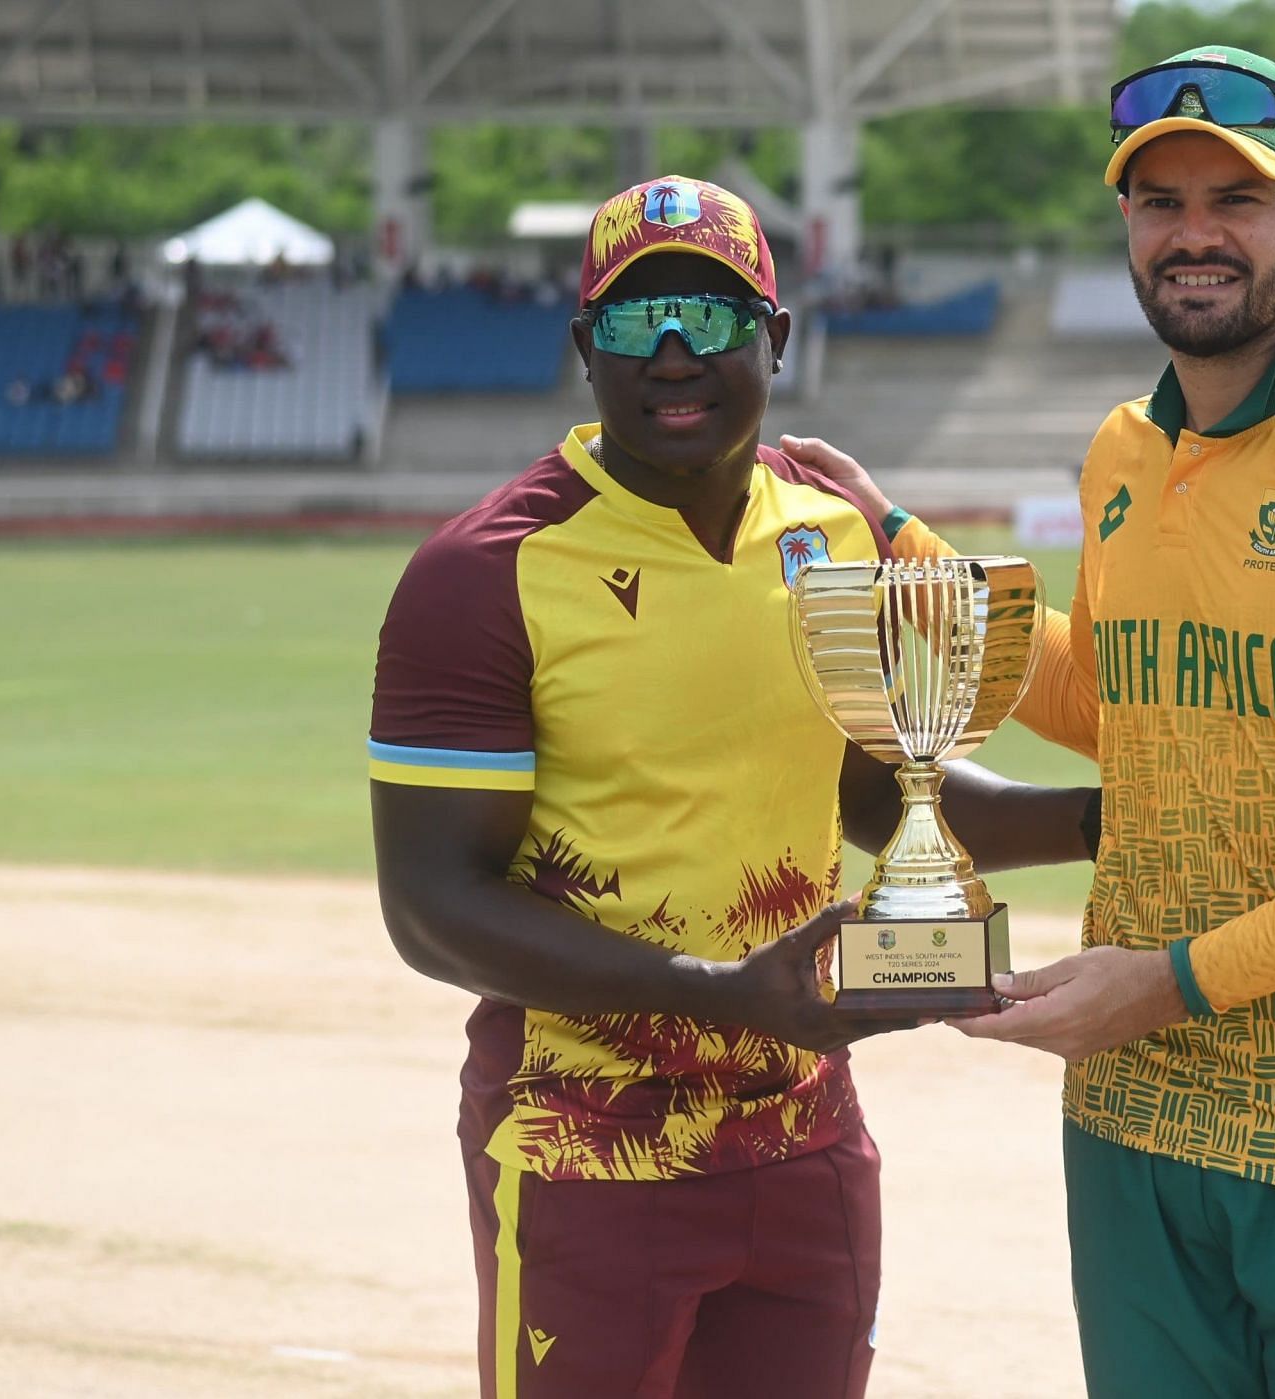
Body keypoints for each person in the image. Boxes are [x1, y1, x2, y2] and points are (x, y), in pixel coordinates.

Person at [781, 45, 1275, 1399]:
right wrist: (908, 552)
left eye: (1234, 200)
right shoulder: (1125, 452)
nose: (1194, 233)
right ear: (1126, 227)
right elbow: (1126, 703)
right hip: (1137, 1116)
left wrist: (1176, 977)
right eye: (1160, 202)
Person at [368, 175, 1095, 1399]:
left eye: (706, 319)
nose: (669, 353)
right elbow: (433, 907)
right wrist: (725, 992)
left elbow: (885, 793)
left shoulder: (831, 538)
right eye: (630, 321)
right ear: (581, 349)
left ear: (777, 338)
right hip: (582, 1150)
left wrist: (1107, 819)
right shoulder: (484, 573)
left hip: (805, 1135)